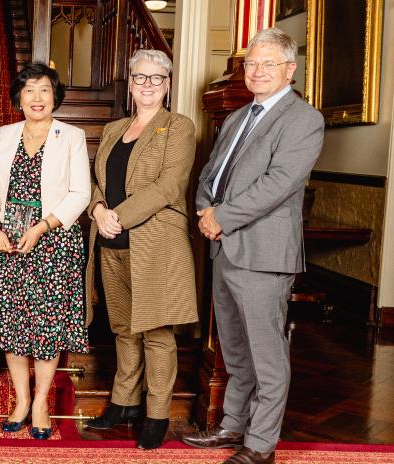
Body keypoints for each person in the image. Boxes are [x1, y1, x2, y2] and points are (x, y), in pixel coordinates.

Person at [182, 28, 324, 464]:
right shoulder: (241, 116)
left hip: (263, 252)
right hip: (224, 247)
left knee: (266, 354)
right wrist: (206, 210)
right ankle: (231, 426)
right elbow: (210, 173)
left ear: (289, 70)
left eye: (267, 64)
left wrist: (220, 217)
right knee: (234, 349)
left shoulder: (304, 119)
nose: (257, 71)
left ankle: (260, 445)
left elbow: (278, 184)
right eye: (251, 64)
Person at [82, 49, 198, 449]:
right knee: (123, 329)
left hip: (155, 242)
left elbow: (170, 186)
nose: (147, 85)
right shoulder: (115, 129)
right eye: (140, 78)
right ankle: (123, 402)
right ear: (129, 83)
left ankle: (157, 413)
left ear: (167, 84)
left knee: (156, 331)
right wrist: (98, 210)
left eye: (156, 78)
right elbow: (97, 180)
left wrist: (118, 216)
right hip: (111, 242)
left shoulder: (179, 127)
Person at [0, 62, 90, 440]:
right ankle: (21, 400)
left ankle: (41, 401)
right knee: (12, 323)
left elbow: (80, 193)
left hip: (53, 240)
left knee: (46, 325)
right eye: (29, 90)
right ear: (18, 98)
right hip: (9, 240)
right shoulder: (4, 134)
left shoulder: (71, 135)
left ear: (55, 95)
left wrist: (42, 227)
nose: (37, 97)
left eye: (44, 89)